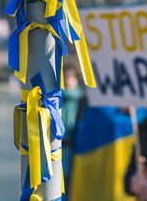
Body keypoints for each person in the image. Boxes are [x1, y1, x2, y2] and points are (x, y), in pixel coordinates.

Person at [62, 64, 87, 200]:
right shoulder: (54, 99)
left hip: (76, 149)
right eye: (65, 77)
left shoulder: (83, 100)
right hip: (58, 149)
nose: (68, 80)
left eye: (71, 77)